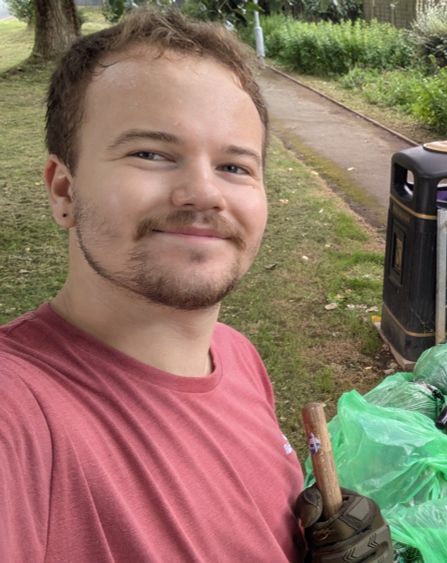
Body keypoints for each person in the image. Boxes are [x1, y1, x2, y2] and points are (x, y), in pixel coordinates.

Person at [0, 9, 389, 562]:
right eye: (151, 154)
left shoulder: (237, 357)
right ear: (64, 190)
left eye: (235, 166)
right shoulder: (18, 419)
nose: (204, 193)